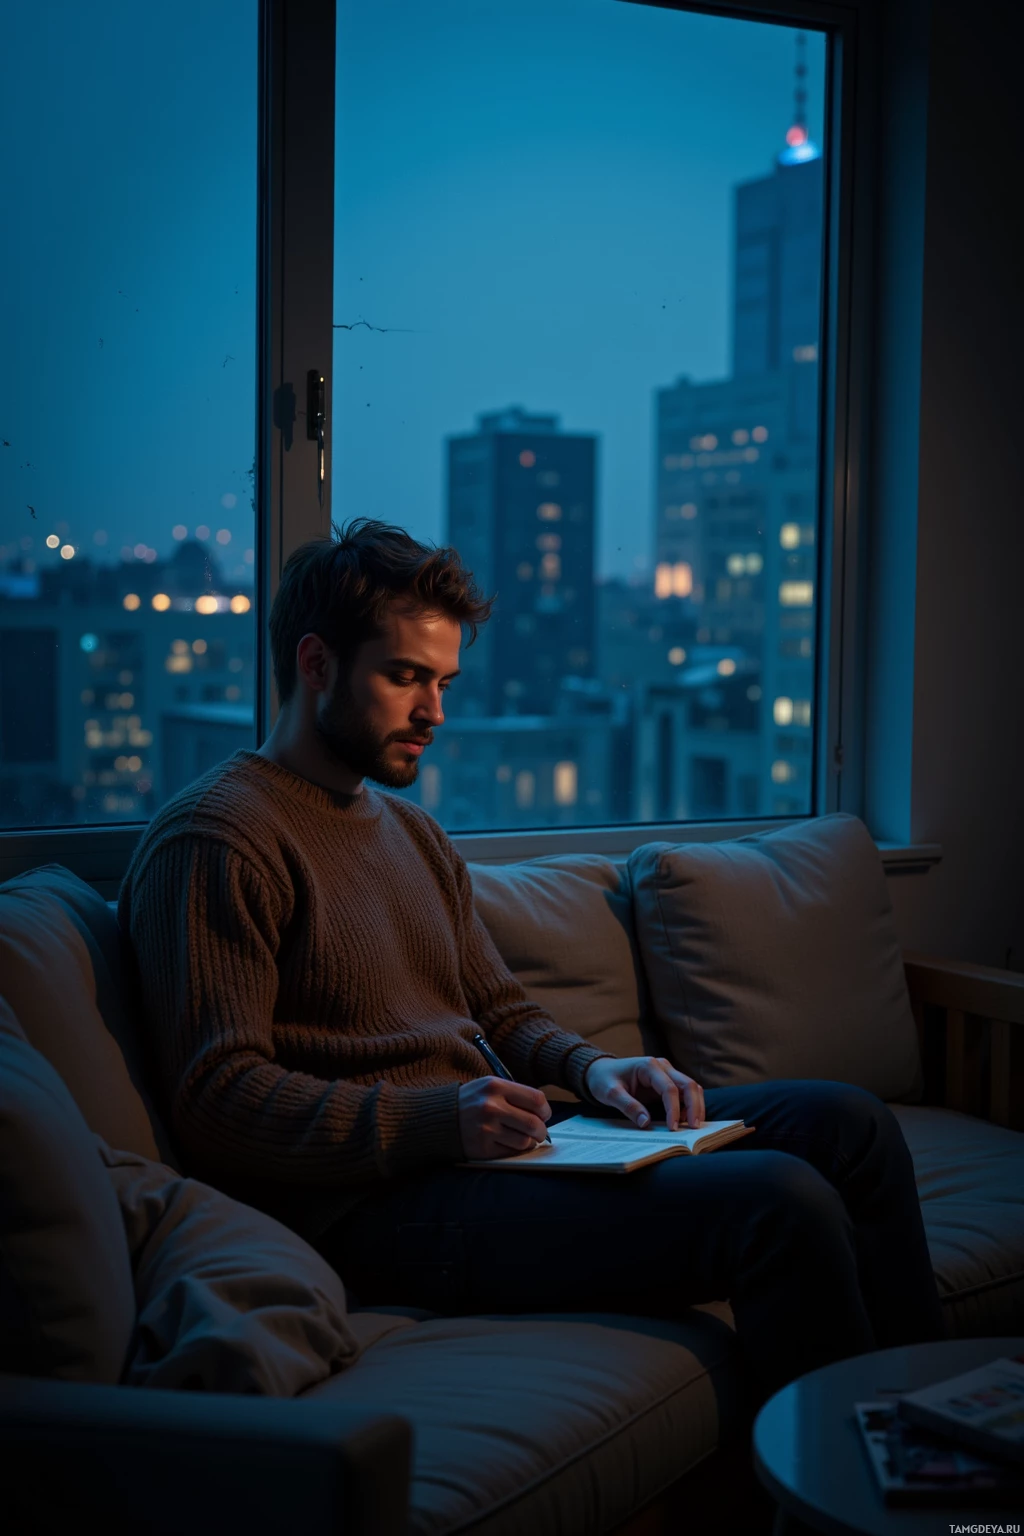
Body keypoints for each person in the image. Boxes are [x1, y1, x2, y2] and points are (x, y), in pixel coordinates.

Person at [119, 517, 944, 1408]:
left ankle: (933, 1436)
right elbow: (217, 1097)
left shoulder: (411, 833)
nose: (435, 713)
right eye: (405, 678)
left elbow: (503, 1013)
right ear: (315, 663)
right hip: (376, 1208)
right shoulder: (218, 837)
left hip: (503, 1150)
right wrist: (439, 1120)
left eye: (443, 683)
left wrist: (596, 1071)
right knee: (779, 1201)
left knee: (849, 1126)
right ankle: (853, 1486)